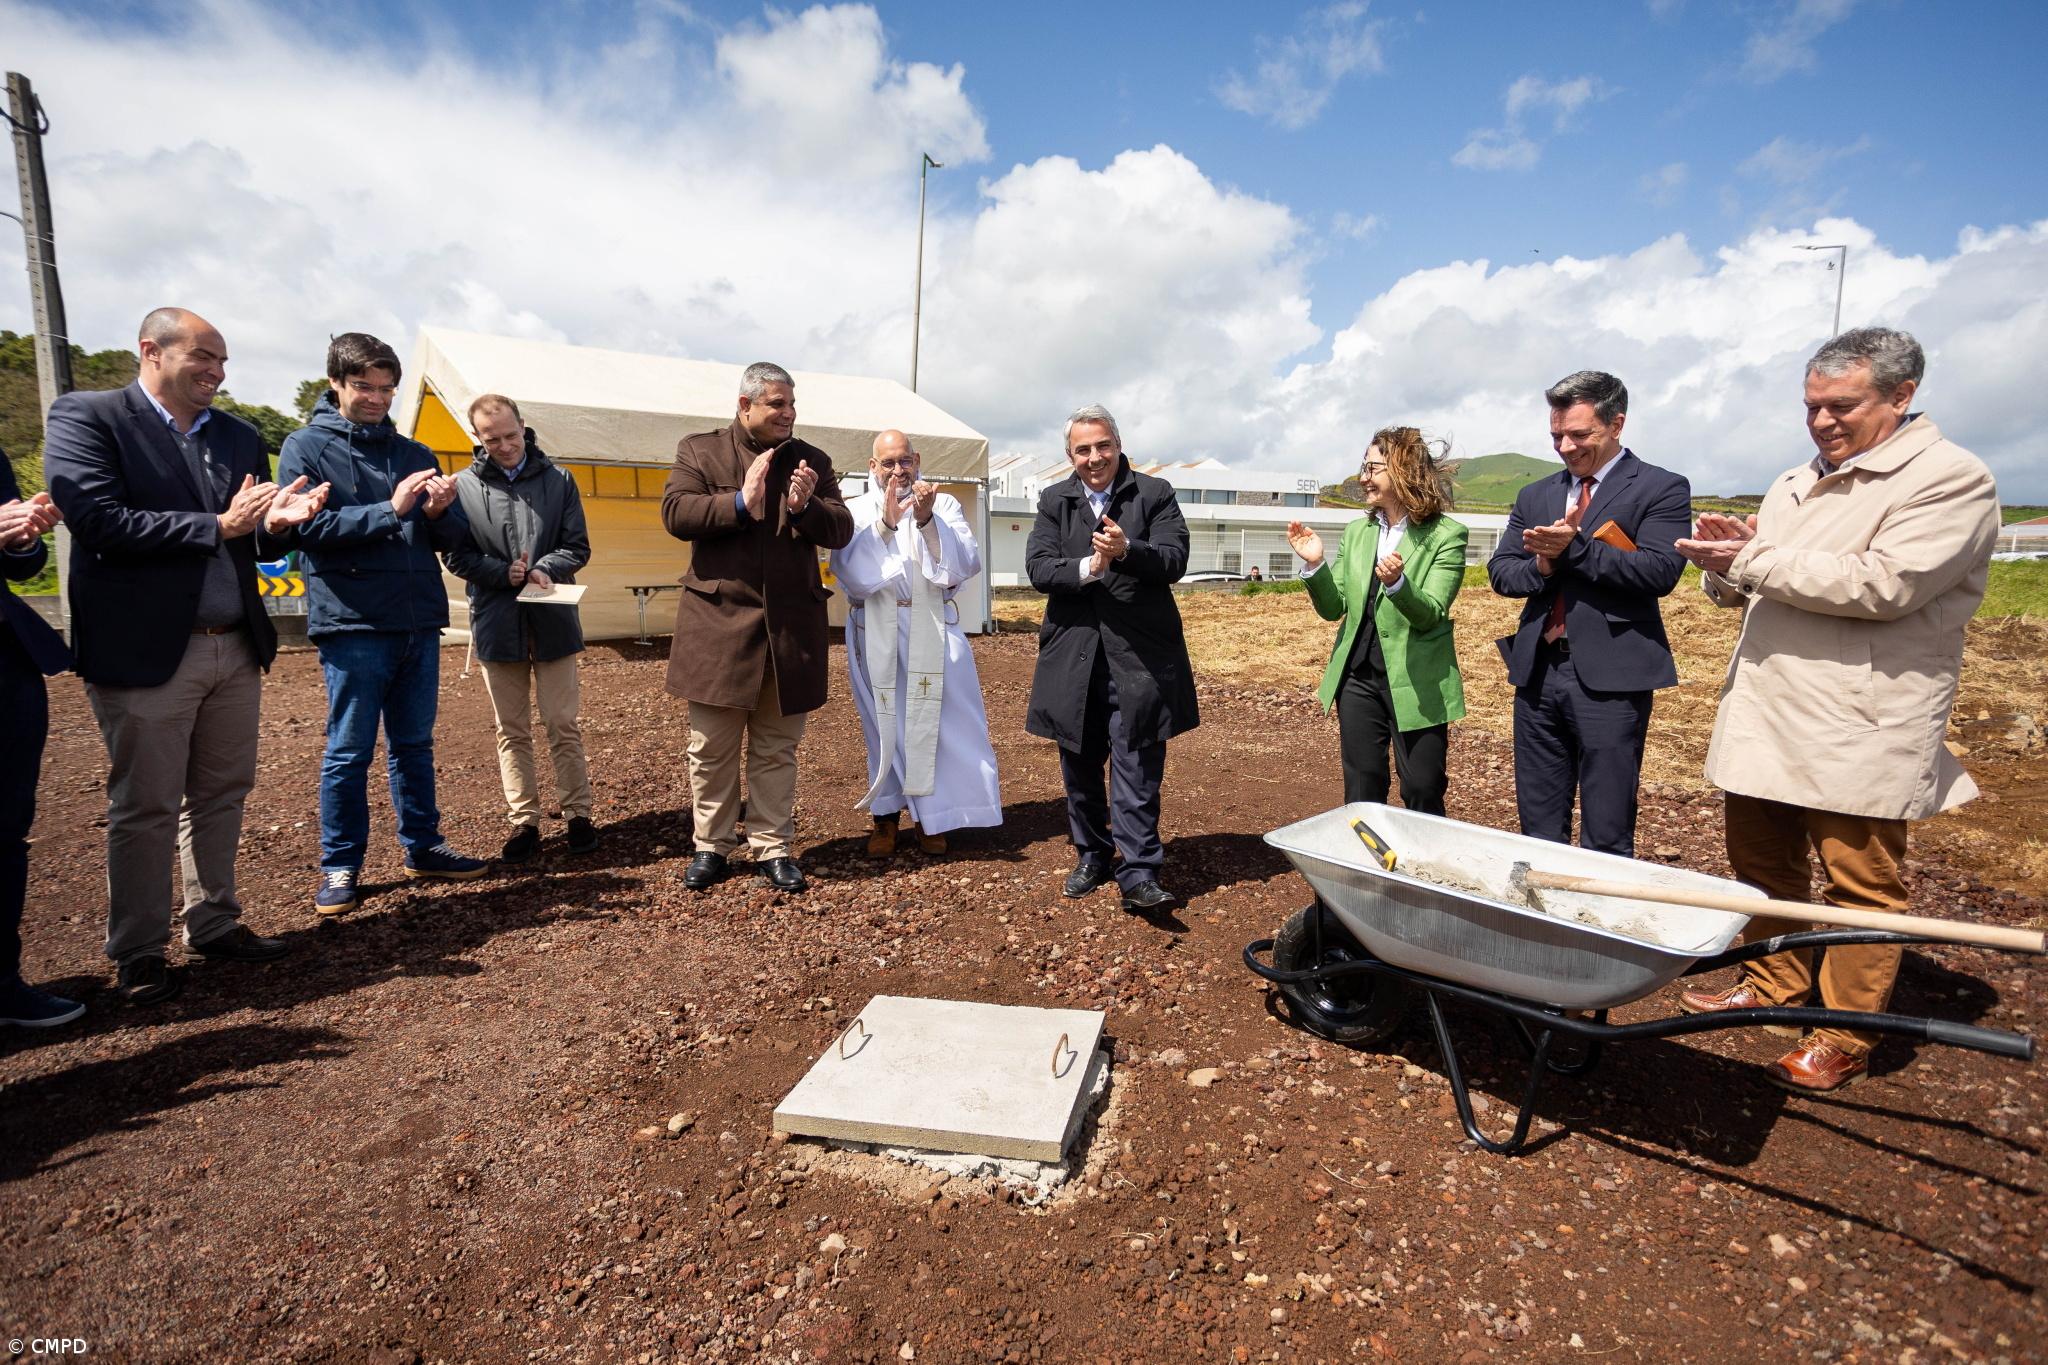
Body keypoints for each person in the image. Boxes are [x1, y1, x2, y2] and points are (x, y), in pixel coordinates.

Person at [1675, 327, 1999, 1093]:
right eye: (1812, 406)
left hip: (1861, 716)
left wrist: (1750, 559)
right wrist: (1725, 568)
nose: (1822, 421)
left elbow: (1885, 583)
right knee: (1763, 862)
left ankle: (1847, 1031)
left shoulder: (1951, 480)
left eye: (1841, 406)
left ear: (1901, 395)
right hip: (1771, 705)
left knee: (1860, 881)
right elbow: (1765, 580)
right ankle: (1774, 981)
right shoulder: (1794, 481)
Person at [43, 307, 328, 1003]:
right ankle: (138, 950)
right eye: (204, 357)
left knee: (221, 793)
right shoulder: (89, 418)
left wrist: (277, 528)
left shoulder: (237, 435)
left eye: (223, 362)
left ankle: (215, 921)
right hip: (145, 654)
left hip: (232, 645)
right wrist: (218, 524)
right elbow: (99, 520)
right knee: (143, 803)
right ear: (151, 351)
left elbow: (250, 540)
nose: (218, 372)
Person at [275, 333, 487, 916]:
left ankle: (424, 846)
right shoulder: (304, 447)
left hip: (417, 619)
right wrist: (389, 510)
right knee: (349, 751)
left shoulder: (415, 453)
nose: (377, 398)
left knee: (414, 745)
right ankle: (340, 864)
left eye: (387, 388)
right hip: (353, 624)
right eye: (364, 386)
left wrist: (441, 513)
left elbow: (451, 539)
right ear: (335, 384)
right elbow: (302, 534)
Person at [661, 362, 853, 893]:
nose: (788, 413)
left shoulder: (813, 461)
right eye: (776, 404)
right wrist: (742, 502)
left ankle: (773, 845)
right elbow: (676, 513)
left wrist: (806, 505)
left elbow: (841, 528)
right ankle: (712, 846)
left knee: (775, 747)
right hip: (718, 627)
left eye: (791, 404)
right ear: (745, 405)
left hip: (790, 630)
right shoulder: (699, 450)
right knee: (712, 748)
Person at [1487, 371, 1690, 857]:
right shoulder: (1536, 494)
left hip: (1613, 679)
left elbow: (1660, 571)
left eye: (1579, 434)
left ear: (1616, 424)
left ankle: (1601, 925)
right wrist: (1543, 562)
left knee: (1607, 822)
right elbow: (1501, 573)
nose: (1565, 446)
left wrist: (1574, 549)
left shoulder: (1661, 488)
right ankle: (1541, 921)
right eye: (1556, 434)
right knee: (1537, 820)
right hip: (1537, 673)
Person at [1025, 404, 1198, 913]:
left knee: (1138, 761)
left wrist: (1127, 551)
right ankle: (1093, 855)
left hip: (1138, 657)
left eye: (1103, 446)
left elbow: (1175, 560)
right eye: (1083, 449)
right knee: (1078, 762)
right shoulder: (1054, 501)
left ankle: (1140, 871)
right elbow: (1038, 567)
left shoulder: (1153, 494)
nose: (1095, 457)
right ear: (1070, 456)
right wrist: (1088, 566)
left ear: (1118, 445)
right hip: (1074, 652)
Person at [830, 429, 1002, 858]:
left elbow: (965, 563)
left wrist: (925, 521)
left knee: (938, 726)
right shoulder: (854, 509)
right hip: (875, 630)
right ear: (872, 466)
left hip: (932, 626)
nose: (897, 470)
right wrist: (887, 523)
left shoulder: (942, 504)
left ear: (917, 459)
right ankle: (885, 819)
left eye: (904, 461)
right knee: (882, 725)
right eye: (887, 463)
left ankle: (934, 818)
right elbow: (849, 571)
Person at [442, 394, 598, 862]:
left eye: (511, 435)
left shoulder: (559, 479)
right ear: (477, 438)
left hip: (551, 616)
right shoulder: (462, 488)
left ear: (523, 426)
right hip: (496, 621)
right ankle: (523, 822)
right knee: (510, 728)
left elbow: (578, 545)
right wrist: (498, 573)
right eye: (493, 439)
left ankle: (578, 815)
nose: (505, 446)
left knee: (562, 722)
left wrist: (546, 566)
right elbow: (454, 554)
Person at [1288, 427, 1467, 812]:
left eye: (1373, 468)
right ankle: (1366, 868)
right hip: (1358, 679)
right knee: (1362, 785)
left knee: (1422, 787)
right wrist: (1316, 564)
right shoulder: (1357, 531)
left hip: (1417, 680)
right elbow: (1334, 607)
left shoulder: (1446, 535)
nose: (1363, 477)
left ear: (1403, 471)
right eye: (1363, 467)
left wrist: (1399, 584)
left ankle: (1421, 869)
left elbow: (1431, 612)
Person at [1, 455, 84, 1026]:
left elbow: (20, 568)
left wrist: (21, 537)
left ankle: (4, 984)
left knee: (7, 830)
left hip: (8, 662)